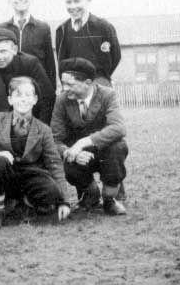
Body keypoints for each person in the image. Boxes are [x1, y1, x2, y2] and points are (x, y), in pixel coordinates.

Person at [0, 77, 71, 230]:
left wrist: (64, 201)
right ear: (10, 100)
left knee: (52, 192)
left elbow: (55, 164)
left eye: (28, 95)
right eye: (18, 95)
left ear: (35, 99)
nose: (23, 100)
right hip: (2, 173)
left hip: (28, 175)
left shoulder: (44, 129)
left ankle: (23, 202)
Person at [51, 58, 128, 215]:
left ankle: (109, 199)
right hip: (79, 156)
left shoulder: (108, 95)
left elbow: (118, 128)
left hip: (105, 152)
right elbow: (55, 139)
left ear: (87, 82)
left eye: (70, 84)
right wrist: (70, 152)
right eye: (63, 84)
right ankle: (90, 194)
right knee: (68, 162)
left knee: (118, 147)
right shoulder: (62, 100)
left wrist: (83, 142)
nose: (65, 89)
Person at [55, 0, 121, 87]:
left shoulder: (103, 26)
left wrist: (103, 78)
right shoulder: (62, 30)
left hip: (98, 84)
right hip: (74, 86)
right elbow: (62, 63)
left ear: (88, 0)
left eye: (77, 1)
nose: (72, 6)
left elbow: (116, 56)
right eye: (68, 2)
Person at [0, 27, 56, 124]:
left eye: (3, 51)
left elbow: (48, 98)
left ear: (14, 50)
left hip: (32, 115)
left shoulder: (30, 63)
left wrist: (40, 127)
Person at [0, 0, 56, 90]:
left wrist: (52, 89)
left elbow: (50, 63)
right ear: (9, 1)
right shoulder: (2, 28)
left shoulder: (43, 28)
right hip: (11, 87)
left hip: (36, 86)